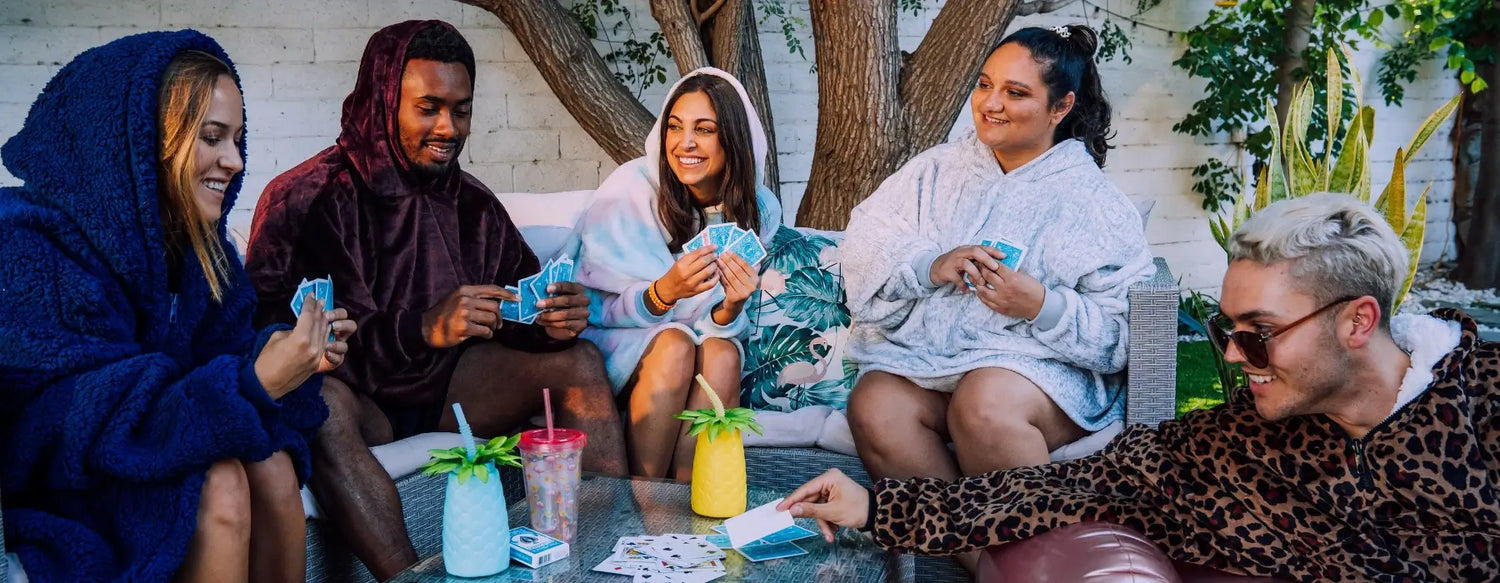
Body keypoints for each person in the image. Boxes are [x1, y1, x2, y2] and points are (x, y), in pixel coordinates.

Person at [783, 192, 1500, 581]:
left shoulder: (1483, 403)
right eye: (1224, 329)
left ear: (1357, 321)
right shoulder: (1236, 442)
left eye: (1259, 331)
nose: (1235, 356)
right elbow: (1056, 487)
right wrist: (876, 504)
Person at [244, 20, 627, 579]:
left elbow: (522, 306)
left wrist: (555, 321)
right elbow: (263, 333)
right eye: (429, 107)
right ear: (383, 102)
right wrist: (421, 327)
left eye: (462, 109)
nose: (449, 127)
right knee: (317, 402)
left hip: (451, 393)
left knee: (579, 362)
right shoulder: (304, 197)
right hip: (362, 404)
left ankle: (603, 555)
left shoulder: (473, 204)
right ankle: (412, 578)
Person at [0, 31, 355, 583]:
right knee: (221, 488)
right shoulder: (29, 243)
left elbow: (229, 355)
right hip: (72, 484)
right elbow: (67, 425)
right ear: (142, 140)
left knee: (274, 467)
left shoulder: (200, 253)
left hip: (160, 448)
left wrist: (286, 357)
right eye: (212, 137)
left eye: (237, 139)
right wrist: (255, 383)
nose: (234, 161)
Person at [839, 22, 1153, 558]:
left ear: (1061, 107)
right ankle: (982, 565)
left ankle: (1041, 563)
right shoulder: (935, 170)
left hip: (1038, 381)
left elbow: (1129, 334)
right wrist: (930, 265)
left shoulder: (1093, 202)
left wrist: (1042, 306)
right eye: (985, 85)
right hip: (930, 363)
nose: (991, 104)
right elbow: (867, 241)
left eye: (1016, 92)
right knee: (876, 401)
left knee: (982, 401)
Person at [575, 68, 780, 481]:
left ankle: (697, 514)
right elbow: (591, 307)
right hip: (612, 335)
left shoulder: (761, 210)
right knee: (674, 345)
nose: (684, 143)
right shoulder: (631, 189)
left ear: (733, 140)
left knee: (722, 355)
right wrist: (663, 292)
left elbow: (716, 327)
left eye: (703, 129)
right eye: (674, 126)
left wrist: (730, 307)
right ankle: (645, 505)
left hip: (694, 336)